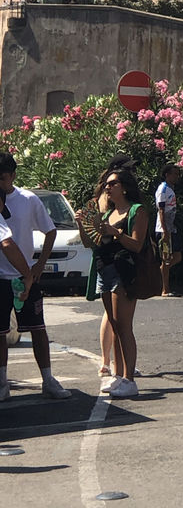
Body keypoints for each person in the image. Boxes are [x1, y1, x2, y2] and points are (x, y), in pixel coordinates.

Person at [0, 152, 71, 401]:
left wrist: (39, 265)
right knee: (0, 332)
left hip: (25, 275)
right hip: (1, 278)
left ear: (13, 176)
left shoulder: (28, 199)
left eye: (4, 178)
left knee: (38, 329)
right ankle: (2, 383)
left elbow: (49, 231)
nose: (0, 183)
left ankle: (48, 379)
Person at [76, 167, 149, 398]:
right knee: (115, 327)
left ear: (124, 187)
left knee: (124, 326)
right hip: (104, 271)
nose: (107, 187)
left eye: (113, 183)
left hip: (124, 272)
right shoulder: (107, 215)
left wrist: (116, 233)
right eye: (107, 184)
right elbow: (91, 244)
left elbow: (137, 244)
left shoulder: (137, 211)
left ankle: (130, 379)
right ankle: (118, 376)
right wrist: (81, 224)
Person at [155, 162, 182, 297]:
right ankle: (165, 289)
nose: (176, 177)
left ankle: (161, 272)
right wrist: (165, 230)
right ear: (167, 175)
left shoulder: (171, 189)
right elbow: (161, 210)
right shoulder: (163, 189)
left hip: (172, 228)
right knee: (165, 259)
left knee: (177, 256)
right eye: (174, 174)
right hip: (163, 229)